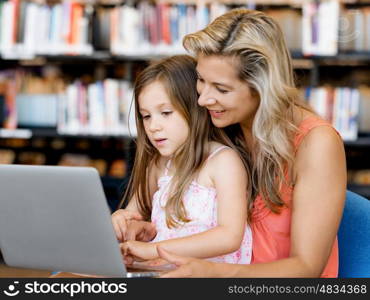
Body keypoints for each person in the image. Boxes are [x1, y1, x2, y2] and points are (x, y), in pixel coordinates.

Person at [120, 8, 347, 278]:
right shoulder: (224, 125)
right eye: (201, 81)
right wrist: (139, 225)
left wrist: (213, 273)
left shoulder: (317, 144)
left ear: (263, 86)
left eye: (222, 89)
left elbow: (307, 269)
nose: (203, 99)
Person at [112, 55, 252, 264]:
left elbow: (229, 237)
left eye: (166, 113)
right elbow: (133, 215)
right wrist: (122, 222)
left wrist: (154, 250)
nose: (153, 126)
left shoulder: (223, 162)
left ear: (194, 109)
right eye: (146, 116)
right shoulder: (159, 165)